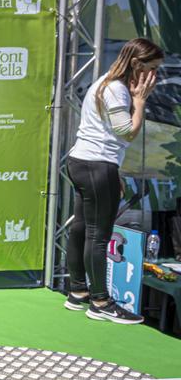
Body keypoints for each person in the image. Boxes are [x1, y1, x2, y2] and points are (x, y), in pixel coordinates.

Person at [64, 37, 163, 324]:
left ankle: (78, 292)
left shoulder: (104, 82)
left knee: (81, 228)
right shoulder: (117, 91)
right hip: (95, 167)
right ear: (136, 63)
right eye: (152, 68)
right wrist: (140, 102)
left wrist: (113, 171)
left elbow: (106, 135)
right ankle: (101, 302)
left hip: (82, 162)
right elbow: (126, 132)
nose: (153, 75)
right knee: (98, 235)